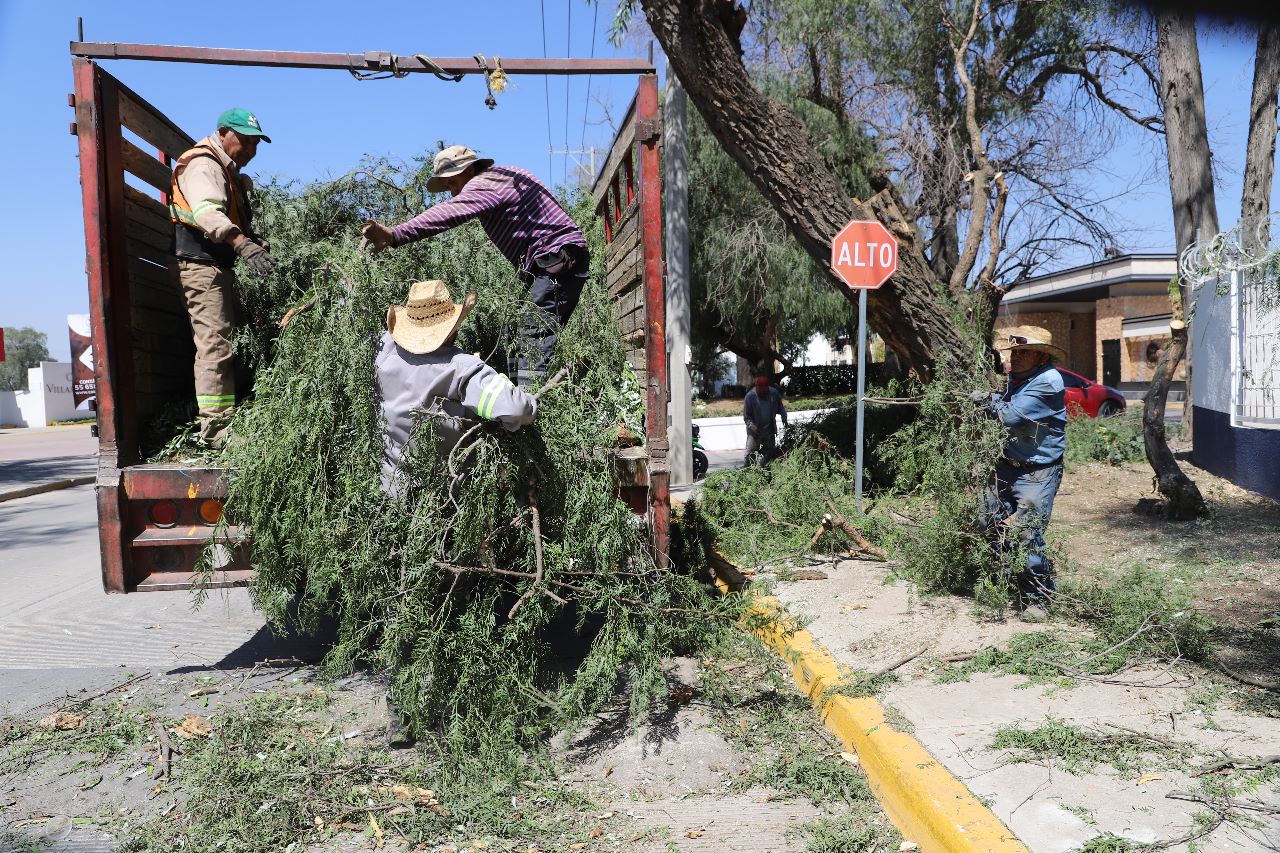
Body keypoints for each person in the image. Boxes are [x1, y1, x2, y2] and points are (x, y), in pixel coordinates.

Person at [375, 279, 537, 747]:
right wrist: (530, 404)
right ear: (450, 324)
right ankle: (451, 712)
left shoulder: (383, 357)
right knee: (450, 601)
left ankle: (399, 716)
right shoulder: (461, 369)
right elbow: (511, 408)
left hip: (393, 501)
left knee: (403, 602)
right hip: (445, 506)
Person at [361, 145, 590, 387]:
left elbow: (448, 214)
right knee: (516, 333)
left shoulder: (485, 183)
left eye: (452, 183)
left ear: (469, 169)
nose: (452, 192)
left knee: (532, 334)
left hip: (557, 258)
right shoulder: (503, 176)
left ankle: (527, 406)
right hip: (554, 259)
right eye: (447, 187)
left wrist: (395, 234)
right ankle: (521, 398)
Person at [169, 108, 277, 447]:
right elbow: (206, 213)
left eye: (255, 144)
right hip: (201, 266)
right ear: (222, 133)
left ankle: (233, 416)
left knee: (235, 342)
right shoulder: (203, 164)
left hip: (219, 266)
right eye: (243, 140)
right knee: (216, 345)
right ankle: (216, 431)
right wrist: (242, 243)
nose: (249, 149)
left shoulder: (228, 172)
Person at [376, 279, 538, 498]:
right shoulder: (460, 368)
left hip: (387, 486)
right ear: (453, 327)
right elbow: (517, 409)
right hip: (436, 496)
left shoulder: (382, 347)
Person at [971, 326, 1067, 623]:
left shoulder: (1048, 381)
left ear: (1040, 356)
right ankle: (1001, 577)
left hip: (1038, 472)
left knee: (1027, 533)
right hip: (1008, 465)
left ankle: (1038, 597)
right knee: (983, 519)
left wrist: (988, 401)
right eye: (1014, 351)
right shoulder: (1020, 378)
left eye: (1024, 351)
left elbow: (1010, 416)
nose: (1016, 357)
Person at [743, 374, 787, 465]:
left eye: (764, 389)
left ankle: (767, 472)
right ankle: (746, 470)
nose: (762, 392)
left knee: (769, 455)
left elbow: (781, 408)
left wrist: (784, 420)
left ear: (768, 387)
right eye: (760, 389)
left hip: (769, 431)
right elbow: (746, 417)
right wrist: (753, 427)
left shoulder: (774, 394)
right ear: (756, 386)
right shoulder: (750, 397)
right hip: (754, 433)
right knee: (750, 455)